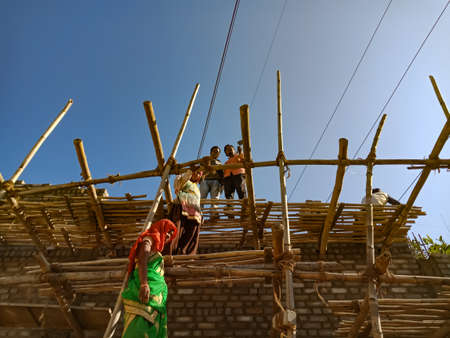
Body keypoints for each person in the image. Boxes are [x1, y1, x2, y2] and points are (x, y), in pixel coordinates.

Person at [121, 219, 177, 338]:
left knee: (152, 324)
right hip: (146, 288)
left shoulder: (156, 250)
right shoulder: (148, 240)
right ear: (161, 228)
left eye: (171, 235)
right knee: (139, 323)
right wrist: (144, 284)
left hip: (156, 293)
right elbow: (143, 260)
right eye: (167, 232)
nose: (168, 236)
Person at [169, 168, 203, 255]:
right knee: (176, 228)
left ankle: (185, 253)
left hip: (194, 209)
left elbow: (197, 201)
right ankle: (171, 252)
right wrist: (189, 172)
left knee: (192, 232)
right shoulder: (183, 179)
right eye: (195, 172)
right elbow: (177, 186)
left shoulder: (197, 188)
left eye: (199, 173)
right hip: (181, 205)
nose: (196, 174)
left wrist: (201, 213)